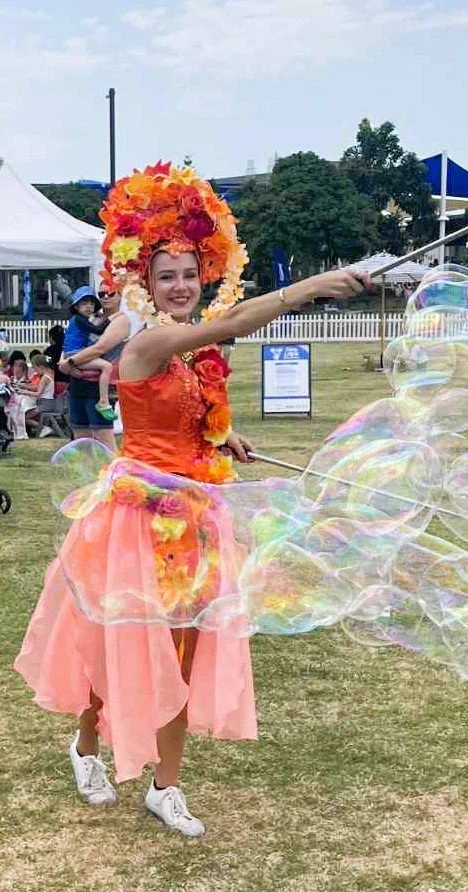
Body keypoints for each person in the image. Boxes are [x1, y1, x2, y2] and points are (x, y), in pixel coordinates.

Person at [15, 160, 368, 838]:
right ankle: (86, 746)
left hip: (198, 515)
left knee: (184, 649)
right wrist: (309, 288)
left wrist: (222, 435)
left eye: (188, 274)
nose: (179, 286)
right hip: (136, 522)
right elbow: (227, 325)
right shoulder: (148, 342)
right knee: (120, 648)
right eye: (165, 276)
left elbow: (192, 411)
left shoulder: (191, 360)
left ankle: (165, 787)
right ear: (144, 285)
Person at [62, 286, 117, 421]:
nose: (88, 306)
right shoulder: (79, 319)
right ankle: (103, 401)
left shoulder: (80, 319)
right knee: (107, 366)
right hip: (75, 354)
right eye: (84, 303)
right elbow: (98, 330)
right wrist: (112, 318)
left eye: (92, 303)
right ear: (76, 306)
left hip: (74, 353)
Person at [6, 353, 55, 439]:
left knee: (22, 417)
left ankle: (44, 428)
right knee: (23, 415)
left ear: (41, 367)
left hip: (44, 404)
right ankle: (43, 428)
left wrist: (23, 392)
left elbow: (38, 393)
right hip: (47, 403)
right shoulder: (49, 375)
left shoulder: (45, 378)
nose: (35, 371)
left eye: (35, 368)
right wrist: (24, 387)